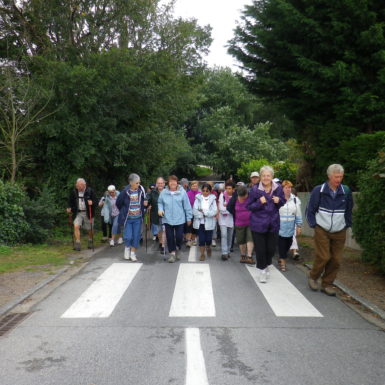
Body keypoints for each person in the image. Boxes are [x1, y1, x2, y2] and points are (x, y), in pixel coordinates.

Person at [306, 164, 353, 296]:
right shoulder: (318, 190)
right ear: (329, 176)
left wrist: (347, 224)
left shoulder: (346, 191)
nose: (339, 179)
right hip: (322, 228)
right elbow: (310, 210)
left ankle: (327, 283)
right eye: (336, 177)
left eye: (341, 177)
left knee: (336, 259)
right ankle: (313, 277)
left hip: (340, 230)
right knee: (324, 256)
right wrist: (314, 225)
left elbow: (349, 209)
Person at [247, 166, 285, 283]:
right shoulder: (254, 190)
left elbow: (282, 201)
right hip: (258, 224)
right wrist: (259, 202)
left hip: (273, 223)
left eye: (268, 175)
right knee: (260, 249)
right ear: (260, 177)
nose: (266, 178)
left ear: (272, 177)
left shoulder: (278, 188)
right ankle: (262, 270)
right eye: (263, 175)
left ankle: (267, 264)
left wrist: (280, 201)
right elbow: (249, 206)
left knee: (271, 249)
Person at [158, 175, 192, 263]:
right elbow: (160, 202)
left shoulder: (182, 192)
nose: (172, 183)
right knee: (169, 237)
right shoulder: (164, 192)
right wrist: (160, 209)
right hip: (167, 219)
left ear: (177, 183)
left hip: (179, 219)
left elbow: (187, 206)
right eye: (170, 181)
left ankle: (177, 248)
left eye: (174, 181)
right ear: (168, 183)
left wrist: (189, 218)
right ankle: (172, 253)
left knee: (179, 237)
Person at [116, 173, 147, 262]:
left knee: (136, 236)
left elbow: (144, 201)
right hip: (128, 219)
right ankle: (127, 248)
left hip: (138, 218)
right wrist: (123, 211)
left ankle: (133, 253)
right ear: (131, 183)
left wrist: (145, 205)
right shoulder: (124, 192)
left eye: (139, 183)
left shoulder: (141, 191)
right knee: (128, 237)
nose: (138, 184)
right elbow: (118, 203)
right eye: (137, 183)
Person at [67, 178, 98, 251]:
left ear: (84, 185)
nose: (78, 188)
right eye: (77, 186)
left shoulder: (90, 191)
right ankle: (78, 243)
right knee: (76, 226)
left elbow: (96, 201)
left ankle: (90, 240)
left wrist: (92, 203)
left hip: (88, 212)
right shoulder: (74, 192)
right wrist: (69, 207)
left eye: (80, 186)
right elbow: (70, 201)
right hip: (78, 212)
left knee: (90, 228)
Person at [278, 180, 303, 272]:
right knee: (281, 245)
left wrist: (299, 226)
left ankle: (282, 257)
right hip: (280, 227)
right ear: (282, 189)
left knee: (288, 244)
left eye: (289, 187)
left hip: (291, 227)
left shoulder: (295, 200)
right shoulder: (278, 199)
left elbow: (298, 214)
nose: (288, 189)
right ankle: (283, 263)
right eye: (286, 188)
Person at [228, 185, 255, 264]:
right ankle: (243, 256)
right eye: (241, 196)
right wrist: (236, 214)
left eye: (245, 196)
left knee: (250, 239)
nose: (243, 198)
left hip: (250, 222)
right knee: (241, 240)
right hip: (239, 222)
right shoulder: (235, 197)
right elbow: (229, 207)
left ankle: (249, 256)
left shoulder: (251, 196)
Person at [193, 183, 218, 261]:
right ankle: (202, 254)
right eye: (203, 190)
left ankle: (208, 247)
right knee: (201, 240)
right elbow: (194, 210)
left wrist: (205, 213)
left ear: (210, 191)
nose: (205, 192)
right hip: (200, 223)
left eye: (207, 191)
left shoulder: (213, 200)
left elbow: (214, 211)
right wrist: (201, 214)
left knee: (208, 239)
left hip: (209, 223)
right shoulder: (198, 199)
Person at [147, 177, 166, 253]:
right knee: (159, 230)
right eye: (158, 183)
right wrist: (147, 204)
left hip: (166, 215)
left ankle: (163, 245)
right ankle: (161, 243)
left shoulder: (167, 191)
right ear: (156, 184)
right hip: (156, 214)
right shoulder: (152, 192)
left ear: (164, 184)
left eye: (161, 183)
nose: (160, 184)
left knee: (165, 230)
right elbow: (148, 199)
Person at [218, 180, 236, 261]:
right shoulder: (222, 196)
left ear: (233, 189)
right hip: (222, 220)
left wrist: (227, 208)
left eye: (230, 188)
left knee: (230, 236)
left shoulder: (235, 197)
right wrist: (229, 209)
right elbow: (221, 209)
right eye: (227, 188)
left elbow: (235, 209)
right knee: (224, 235)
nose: (228, 190)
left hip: (232, 220)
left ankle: (228, 250)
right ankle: (224, 253)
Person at [186, 180, 200, 247]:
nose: (194, 187)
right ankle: (189, 240)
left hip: (197, 213)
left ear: (198, 186)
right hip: (189, 212)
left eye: (196, 186)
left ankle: (193, 239)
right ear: (191, 186)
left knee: (195, 227)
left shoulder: (200, 194)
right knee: (189, 227)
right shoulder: (188, 193)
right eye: (193, 185)